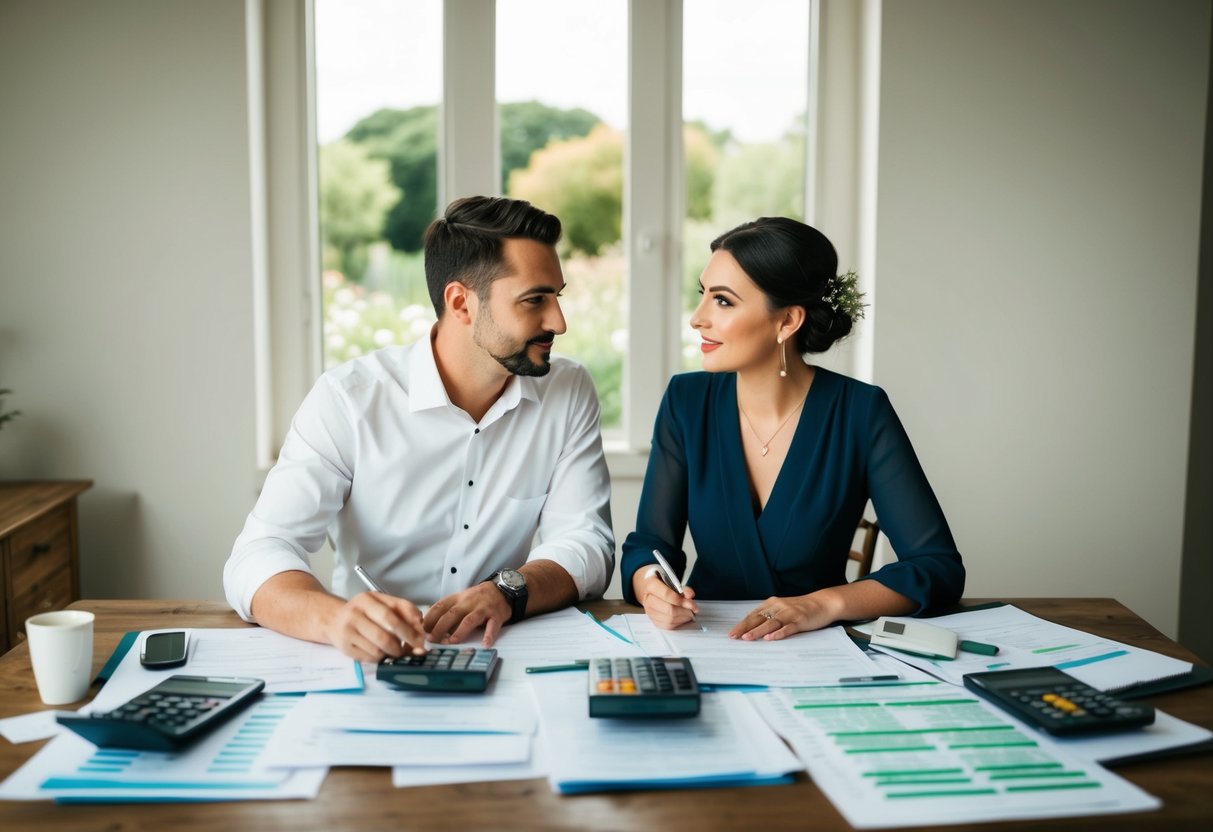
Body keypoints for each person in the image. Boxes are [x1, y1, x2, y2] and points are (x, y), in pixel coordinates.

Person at [224, 196, 614, 661]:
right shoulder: (349, 399)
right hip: (372, 662)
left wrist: (508, 591)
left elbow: (587, 540)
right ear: (460, 302)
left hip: (504, 655)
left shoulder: (567, 391)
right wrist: (335, 619)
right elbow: (261, 551)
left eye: (557, 296)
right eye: (535, 300)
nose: (559, 322)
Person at [621, 217, 964, 640]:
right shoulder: (685, 401)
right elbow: (648, 546)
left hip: (820, 652)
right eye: (702, 295)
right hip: (706, 642)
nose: (697, 318)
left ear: (787, 321)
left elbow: (936, 565)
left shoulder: (860, 411)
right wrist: (651, 585)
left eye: (723, 301)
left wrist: (824, 604)